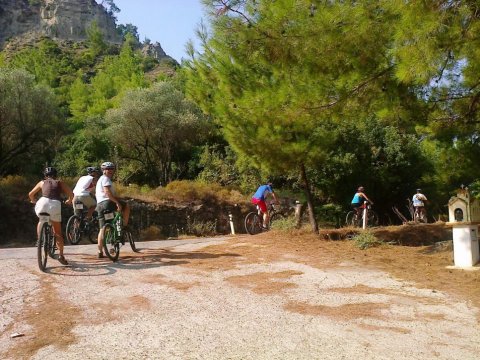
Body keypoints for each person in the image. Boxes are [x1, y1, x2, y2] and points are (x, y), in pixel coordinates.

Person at [28, 166, 74, 265]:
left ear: (45, 175)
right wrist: (69, 200)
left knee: (41, 219)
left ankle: (40, 239)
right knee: (57, 232)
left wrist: (33, 200)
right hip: (55, 204)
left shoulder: (42, 182)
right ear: (55, 175)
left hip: (43, 202)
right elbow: (71, 193)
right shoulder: (59, 182)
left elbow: (31, 194)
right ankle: (61, 255)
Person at [96, 161, 130, 258]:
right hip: (108, 203)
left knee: (102, 228)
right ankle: (124, 225)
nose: (110, 170)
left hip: (100, 205)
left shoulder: (100, 179)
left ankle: (100, 252)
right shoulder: (106, 179)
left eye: (112, 169)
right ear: (103, 170)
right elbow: (107, 192)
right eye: (108, 169)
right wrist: (117, 202)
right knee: (126, 206)